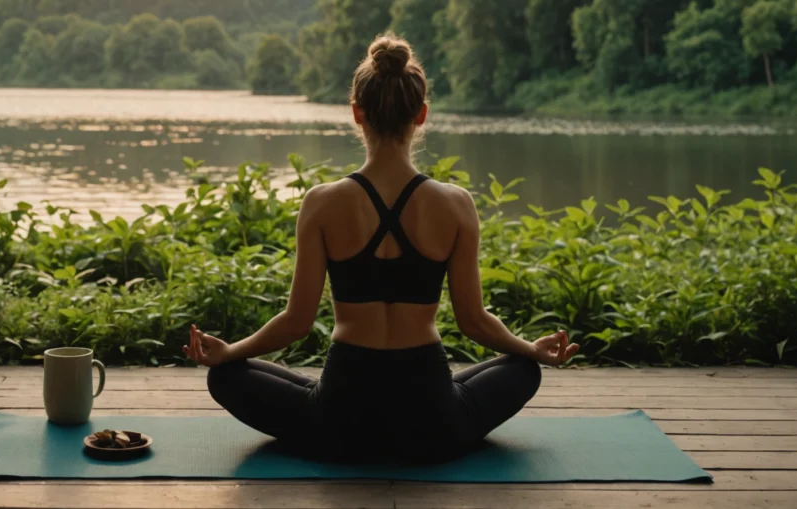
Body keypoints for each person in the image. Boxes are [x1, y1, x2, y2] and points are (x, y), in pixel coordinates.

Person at [182, 35, 579, 463]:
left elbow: (297, 322)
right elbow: (473, 321)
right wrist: (531, 349)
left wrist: (230, 352)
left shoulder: (321, 202)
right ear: (421, 115)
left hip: (339, 418)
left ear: (357, 113)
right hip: (434, 420)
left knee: (226, 377)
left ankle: (327, 425)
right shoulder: (456, 204)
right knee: (522, 369)